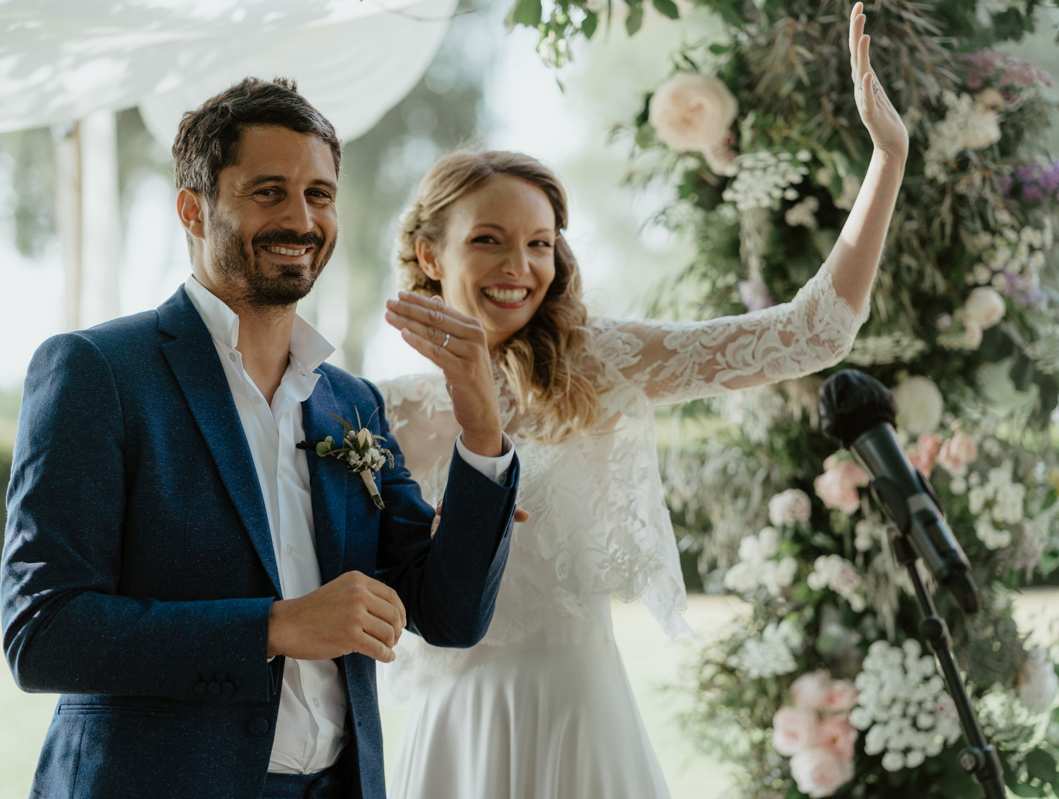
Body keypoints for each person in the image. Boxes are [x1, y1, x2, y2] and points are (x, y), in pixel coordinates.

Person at [379, 5, 907, 797]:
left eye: (539, 242)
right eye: (488, 238)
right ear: (430, 252)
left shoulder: (603, 361)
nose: (519, 265)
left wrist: (888, 157)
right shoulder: (383, 413)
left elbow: (813, 333)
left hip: (578, 711)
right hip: (457, 722)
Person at [0, 77, 522, 799]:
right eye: (268, 191)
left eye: (319, 194)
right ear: (193, 208)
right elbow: (44, 632)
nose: (301, 218)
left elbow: (450, 615)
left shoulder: (351, 402)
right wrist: (274, 627)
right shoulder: (99, 372)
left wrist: (481, 429)